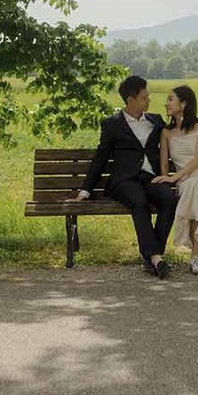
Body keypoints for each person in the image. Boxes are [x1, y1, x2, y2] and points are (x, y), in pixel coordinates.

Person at [74, 75, 176, 278]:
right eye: (144, 97)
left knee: (169, 199)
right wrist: (85, 191)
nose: (149, 100)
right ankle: (156, 259)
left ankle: (153, 257)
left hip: (150, 178)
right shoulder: (112, 124)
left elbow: (181, 135)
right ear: (131, 99)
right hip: (124, 181)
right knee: (139, 201)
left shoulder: (156, 121)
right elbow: (100, 158)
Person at [154, 85, 198, 275]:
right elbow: (164, 165)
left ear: (184, 103)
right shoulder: (167, 133)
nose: (166, 103)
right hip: (185, 181)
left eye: (170, 99)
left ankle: (197, 255)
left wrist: (174, 177)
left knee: (197, 187)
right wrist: (169, 179)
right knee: (193, 187)